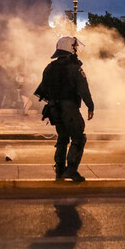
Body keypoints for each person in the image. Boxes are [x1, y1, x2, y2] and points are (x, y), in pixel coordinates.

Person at [35, 36, 94, 182]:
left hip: (54, 108)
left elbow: (42, 89)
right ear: (70, 48)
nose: (76, 50)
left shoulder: (49, 67)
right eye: (75, 47)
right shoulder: (75, 68)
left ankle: (60, 170)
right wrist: (90, 106)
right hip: (69, 108)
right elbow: (83, 89)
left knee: (62, 138)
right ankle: (72, 170)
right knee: (78, 138)